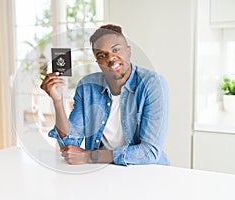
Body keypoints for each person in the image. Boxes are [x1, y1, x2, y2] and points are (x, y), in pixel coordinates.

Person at [40, 24, 169, 166]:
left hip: (146, 173)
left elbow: (149, 152)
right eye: (102, 55)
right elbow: (70, 143)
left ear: (128, 51)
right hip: (103, 173)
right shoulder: (87, 86)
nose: (111, 58)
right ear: (98, 62)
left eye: (116, 50)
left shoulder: (152, 84)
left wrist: (89, 156)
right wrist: (57, 101)